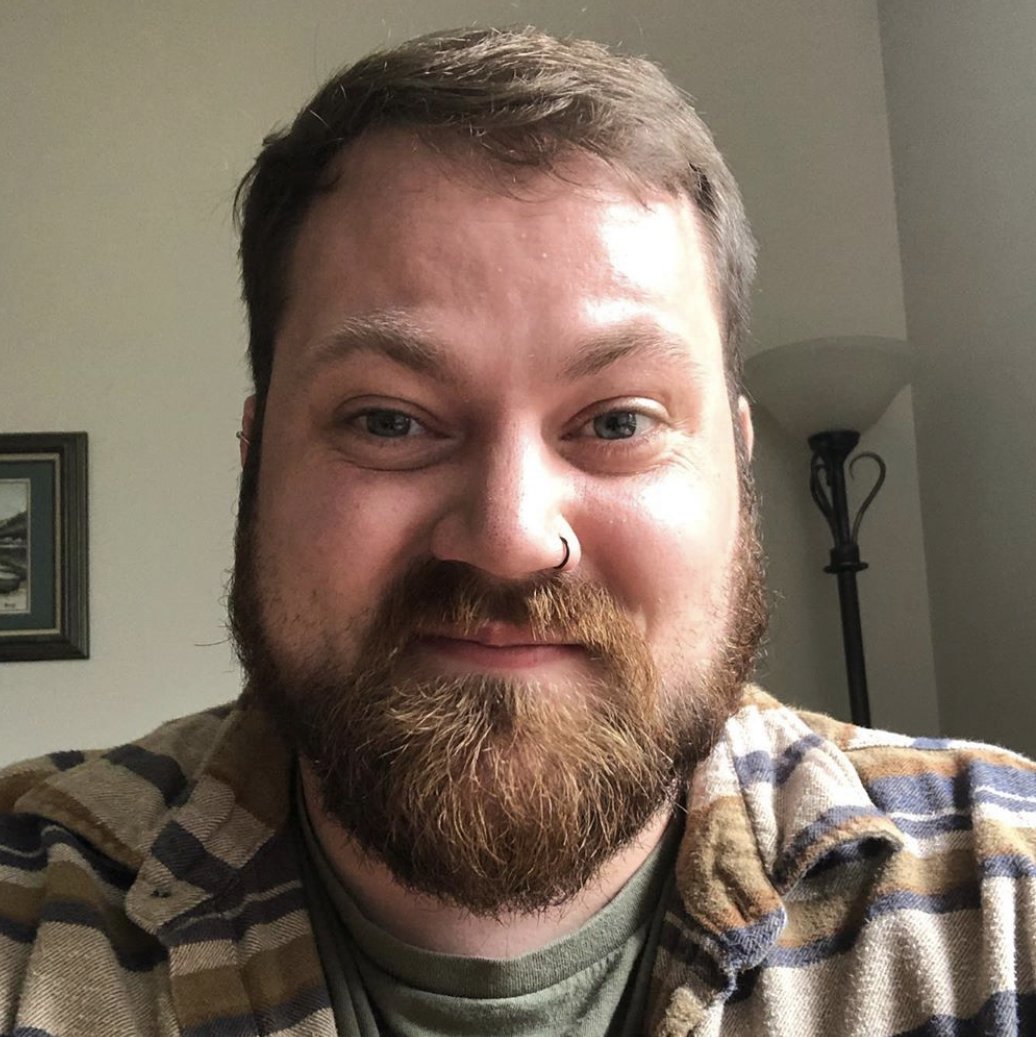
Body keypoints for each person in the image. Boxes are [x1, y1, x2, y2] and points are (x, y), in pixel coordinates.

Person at [2, 25, 1034, 1037]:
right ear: (256, 455)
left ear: (737, 464)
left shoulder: (1006, 894)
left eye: (618, 421)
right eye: (388, 420)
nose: (508, 536)